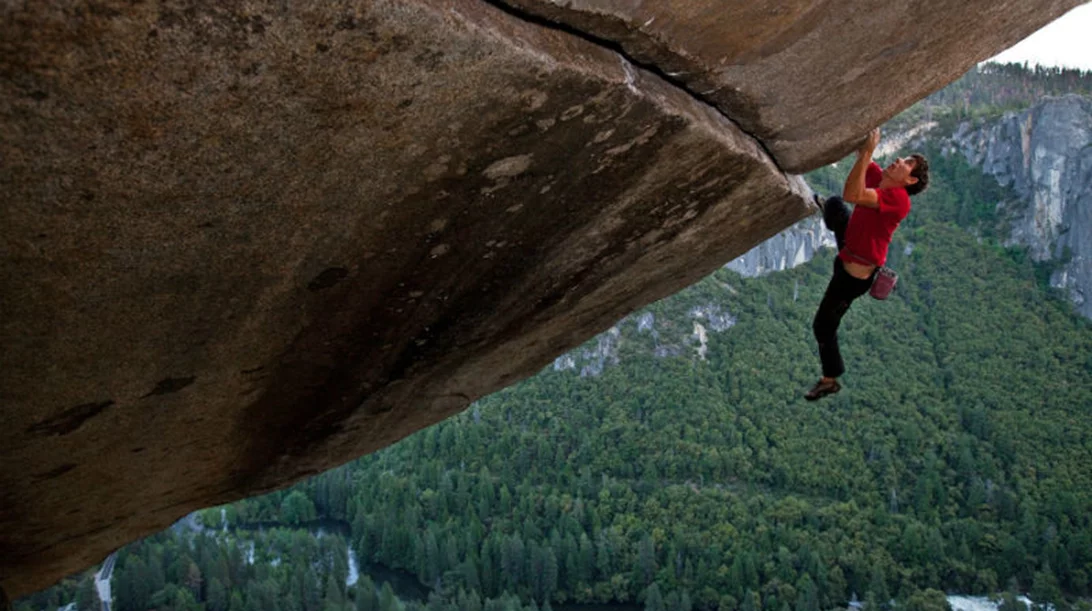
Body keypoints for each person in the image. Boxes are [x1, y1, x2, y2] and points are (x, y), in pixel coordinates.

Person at [805, 128, 929, 401]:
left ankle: (830, 379)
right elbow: (861, 159)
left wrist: (869, 152)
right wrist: (864, 145)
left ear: (909, 180)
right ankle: (829, 212)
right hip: (850, 247)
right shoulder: (882, 178)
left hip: (853, 276)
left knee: (823, 325)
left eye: (908, 164)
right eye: (905, 157)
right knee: (836, 206)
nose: (900, 160)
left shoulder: (899, 200)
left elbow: (854, 193)